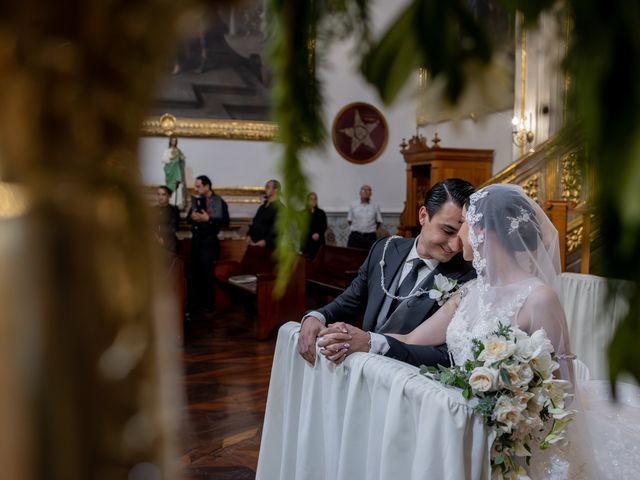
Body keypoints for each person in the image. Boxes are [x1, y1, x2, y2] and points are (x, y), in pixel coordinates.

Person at [321, 184, 640, 478]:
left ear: (484, 231)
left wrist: (530, 430)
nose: (458, 237)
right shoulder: (467, 292)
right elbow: (409, 339)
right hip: (462, 427)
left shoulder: (539, 297)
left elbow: (562, 382)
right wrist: (358, 338)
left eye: (463, 225)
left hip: (515, 434)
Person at [297, 178, 477, 367]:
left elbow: (446, 355)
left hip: (407, 383)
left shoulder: (468, 277)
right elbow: (349, 301)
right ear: (423, 215)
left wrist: (373, 344)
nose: (455, 245)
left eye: (462, 234)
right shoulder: (385, 249)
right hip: (361, 371)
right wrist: (316, 317)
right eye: (447, 230)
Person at [187, 175, 230, 313]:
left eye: (198, 186)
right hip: (196, 241)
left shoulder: (218, 201)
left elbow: (225, 221)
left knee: (208, 274)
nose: (196, 189)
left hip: (209, 242)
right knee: (195, 272)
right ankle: (197, 305)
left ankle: (209, 305)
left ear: (207, 186)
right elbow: (188, 219)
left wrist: (208, 219)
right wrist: (192, 216)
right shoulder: (196, 200)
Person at [247, 179, 282, 249]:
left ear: (276, 190)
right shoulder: (262, 207)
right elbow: (254, 222)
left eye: (268, 187)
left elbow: (277, 229)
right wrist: (249, 235)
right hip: (255, 244)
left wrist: (265, 241)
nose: (265, 189)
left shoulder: (280, 208)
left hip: (268, 247)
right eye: (266, 187)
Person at [346, 184, 383, 250]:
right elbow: (349, 220)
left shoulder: (375, 205)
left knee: (369, 257)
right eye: (363, 190)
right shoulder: (353, 204)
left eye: (368, 190)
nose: (365, 191)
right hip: (355, 236)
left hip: (370, 237)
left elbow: (378, 221)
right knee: (352, 256)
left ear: (371, 193)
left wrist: (370, 229)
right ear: (360, 193)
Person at [152, 185, 180, 254]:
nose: (160, 197)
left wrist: (163, 237)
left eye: (163, 195)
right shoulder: (152, 210)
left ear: (169, 196)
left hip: (169, 242)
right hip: (154, 241)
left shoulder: (174, 209)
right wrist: (156, 238)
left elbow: (174, 227)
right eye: (158, 194)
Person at [301, 192, 328, 259]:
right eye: (311, 199)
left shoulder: (321, 213)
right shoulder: (303, 213)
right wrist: (311, 235)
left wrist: (318, 234)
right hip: (307, 243)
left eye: (315, 199)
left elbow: (324, 226)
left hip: (318, 242)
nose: (314, 201)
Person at [162, 137, 186, 208]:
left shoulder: (178, 150)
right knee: (170, 186)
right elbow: (164, 159)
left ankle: (177, 203)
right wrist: (172, 158)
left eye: (175, 141)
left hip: (177, 170)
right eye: (172, 141)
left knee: (177, 187)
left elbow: (182, 159)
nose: (174, 142)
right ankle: (170, 202)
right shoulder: (167, 150)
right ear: (170, 141)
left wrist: (181, 158)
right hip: (170, 171)